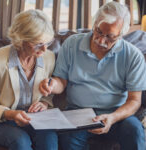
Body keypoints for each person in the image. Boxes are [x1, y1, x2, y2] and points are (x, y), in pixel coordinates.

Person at [39, 2, 146, 150]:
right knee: (68, 141)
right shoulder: (71, 44)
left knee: (135, 130)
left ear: (121, 34)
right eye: (98, 31)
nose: (101, 40)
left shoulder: (133, 56)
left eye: (110, 37)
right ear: (94, 23)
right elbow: (61, 81)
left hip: (116, 115)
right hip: (78, 113)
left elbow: (134, 100)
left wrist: (112, 117)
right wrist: (51, 85)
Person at [0, 9, 57, 150]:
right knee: (20, 141)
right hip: (3, 120)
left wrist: (44, 103)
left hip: (35, 118)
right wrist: (11, 114)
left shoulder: (49, 57)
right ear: (20, 39)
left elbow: (50, 90)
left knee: (49, 136)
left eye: (48, 42)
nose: (44, 49)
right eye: (37, 44)